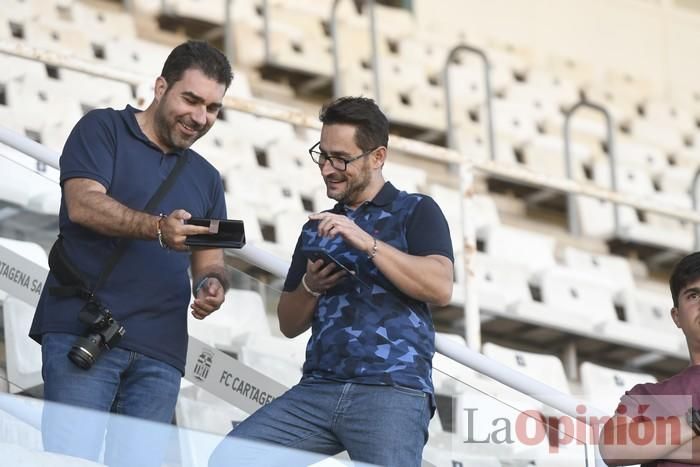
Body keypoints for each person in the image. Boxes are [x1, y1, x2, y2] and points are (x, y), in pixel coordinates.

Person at [209, 96, 454, 467]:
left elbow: (440, 288)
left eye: (341, 158)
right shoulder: (317, 226)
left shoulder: (417, 210)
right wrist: (310, 286)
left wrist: (366, 241)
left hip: (391, 391)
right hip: (318, 389)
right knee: (232, 459)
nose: (327, 168)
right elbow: (289, 324)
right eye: (322, 155)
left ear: (378, 157)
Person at [29, 40, 233, 466]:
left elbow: (209, 258)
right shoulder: (102, 128)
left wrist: (213, 284)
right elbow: (83, 204)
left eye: (212, 108)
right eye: (191, 99)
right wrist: (158, 227)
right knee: (70, 462)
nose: (200, 117)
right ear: (160, 87)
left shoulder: (208, 177)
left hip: (162, 350)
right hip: (82, 330)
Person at [600, 252, 700, 466]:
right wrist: (694, 422)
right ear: (676, 316)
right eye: (694, 295)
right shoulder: (645, 396)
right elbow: (612, 449)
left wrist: (653, 446)